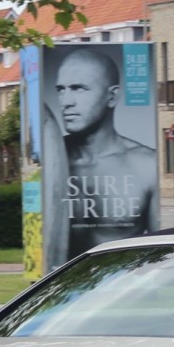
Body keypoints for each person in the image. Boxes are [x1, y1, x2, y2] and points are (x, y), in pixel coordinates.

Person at [51, 47, 159, 258]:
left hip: (123, 287)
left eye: (78, 88)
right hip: (64, 286)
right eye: (61, 89)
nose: (66, 102)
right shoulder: (51, 162)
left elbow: (158, 253)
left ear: (112, 96)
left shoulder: (145, 165)